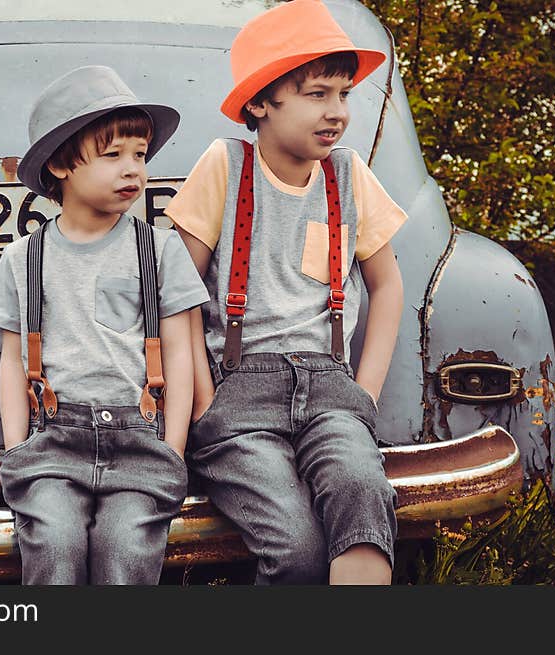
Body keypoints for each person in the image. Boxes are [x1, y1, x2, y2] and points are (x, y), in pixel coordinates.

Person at [164, 0, 407, 585]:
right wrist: (203, 401)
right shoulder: (226, 166)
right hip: (240, 395)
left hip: (331, 389)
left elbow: (388, 285)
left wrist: (364, 396)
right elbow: (176, 294)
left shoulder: (349, 176)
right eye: (317, 93)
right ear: (260, 102)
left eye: (344, 95)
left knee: (364, 503)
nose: (337, 112)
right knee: (296, 547)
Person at [0, 65, 209, 585]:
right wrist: (17, 449)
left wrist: (172, 448)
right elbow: (11, 361)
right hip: (53, 444)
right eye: (113, 156)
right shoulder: (23, 258)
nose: (133, 170)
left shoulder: (160, 249)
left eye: (140, 156)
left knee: (125, 549)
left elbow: (178, 353)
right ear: (61, 164)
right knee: (53, 545)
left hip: (140, 440)